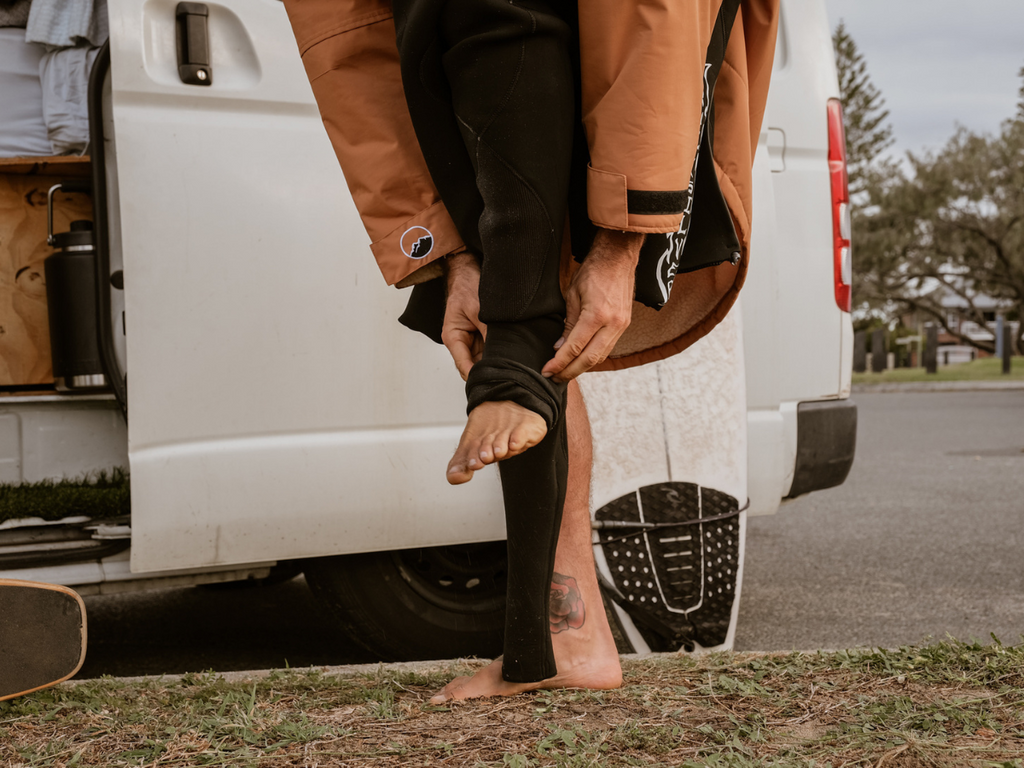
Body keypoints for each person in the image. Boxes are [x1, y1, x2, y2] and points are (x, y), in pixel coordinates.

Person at [282, 0, 778, 702]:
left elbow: (657, 17)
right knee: (525, 300)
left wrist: (623, 241)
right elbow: (352, 51)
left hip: (630, 33)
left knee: (522, 330)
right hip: (480, 58)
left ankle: (514, 367)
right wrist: (451, 252)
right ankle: (561, 641)